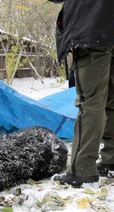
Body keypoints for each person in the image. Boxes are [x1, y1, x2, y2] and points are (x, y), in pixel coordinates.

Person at [49, 0, 114, 187]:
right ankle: (111, 160)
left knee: (91, 104)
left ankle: (82, 170)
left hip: (92, 32)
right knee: (111, 101)